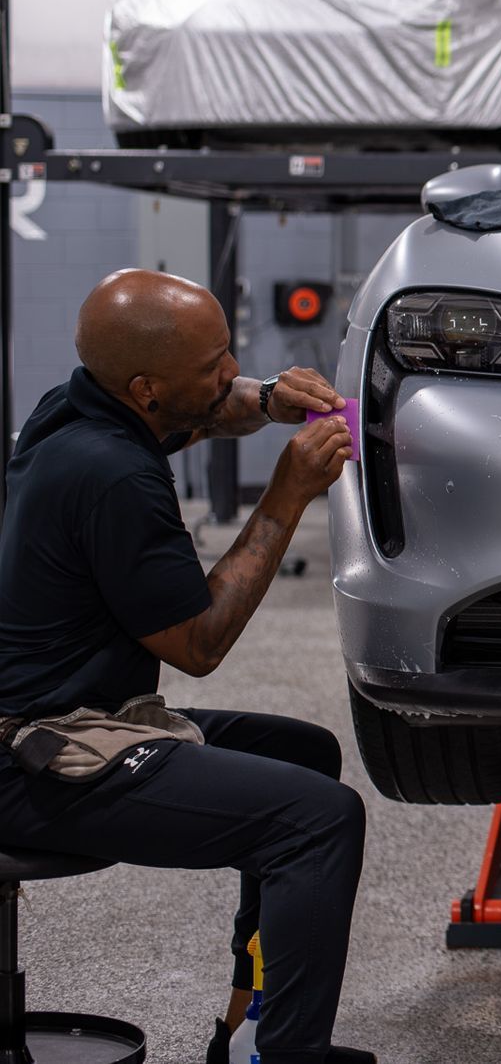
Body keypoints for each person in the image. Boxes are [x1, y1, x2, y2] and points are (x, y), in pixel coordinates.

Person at [0, 269, 373, 1064]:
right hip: (42, 755)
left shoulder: (75, 407)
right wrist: (288, 492)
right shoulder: (114, 475)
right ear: (146, 388)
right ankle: (293, 1057)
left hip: (79, 712)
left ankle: (252, 1017)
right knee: (319, 820)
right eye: (216, 363)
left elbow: (212, 412)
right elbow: (199, 646)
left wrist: (269, 397)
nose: (233, 371)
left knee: (305, 754)